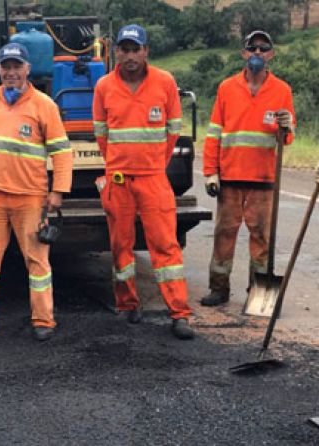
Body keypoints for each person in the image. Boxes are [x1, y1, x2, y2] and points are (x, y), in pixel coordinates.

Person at [0, 42, 73, 342]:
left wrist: (58, 192)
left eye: (17, 67)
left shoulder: (44, 104)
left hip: (31, 197)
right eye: (6, 67)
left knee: (37, 260)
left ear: (28, 69)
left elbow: (62, 152)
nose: (11, 72)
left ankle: (43, 320)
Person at [92, 24, 194, 339]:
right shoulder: (104, 86)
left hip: (153, 179)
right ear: (116, 53)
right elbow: (101, 134)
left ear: (146, 51)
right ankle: (127, 305)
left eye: (136, 49)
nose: (130, 55)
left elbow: (173, 130)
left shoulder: (165, 82)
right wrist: (119, 165)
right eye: (124, 49)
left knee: (165, 245)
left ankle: (178, 313)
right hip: (119, 179)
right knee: (120, 245)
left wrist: (152, 164)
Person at [201, 30, 296, 307]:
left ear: (271, 55)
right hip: (230, 177)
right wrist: (210, 172)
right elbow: (214, 133)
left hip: (263, 178)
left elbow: (287, 138)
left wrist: (286, 125)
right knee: (224, 234)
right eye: (251, 49)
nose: (257, 54)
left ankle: (259, 295)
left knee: (262, 238)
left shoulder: (282, 90)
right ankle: (219, 289)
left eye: (262, 49)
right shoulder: (227, 88)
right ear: (243, 53)